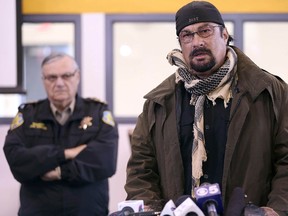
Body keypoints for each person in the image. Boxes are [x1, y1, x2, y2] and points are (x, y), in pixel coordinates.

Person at [124, 1, 288, 215]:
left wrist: (275, 210)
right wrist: (149, 208)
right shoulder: (159, 103)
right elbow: (141, 170)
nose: (197, 42)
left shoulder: (268, 92)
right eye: (187, 35)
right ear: (181, 44)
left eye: (205, 31)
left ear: (225, 35)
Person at [3, 52, 119, 216]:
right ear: (43, 80)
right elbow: (17, 159)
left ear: (77, 76)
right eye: (51, 77)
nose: (59, 83)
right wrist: (66, 153)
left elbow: (104, 161)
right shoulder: (28, 115)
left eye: (66, 76)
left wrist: (59, 172)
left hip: (88, 211)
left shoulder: (98, 113)